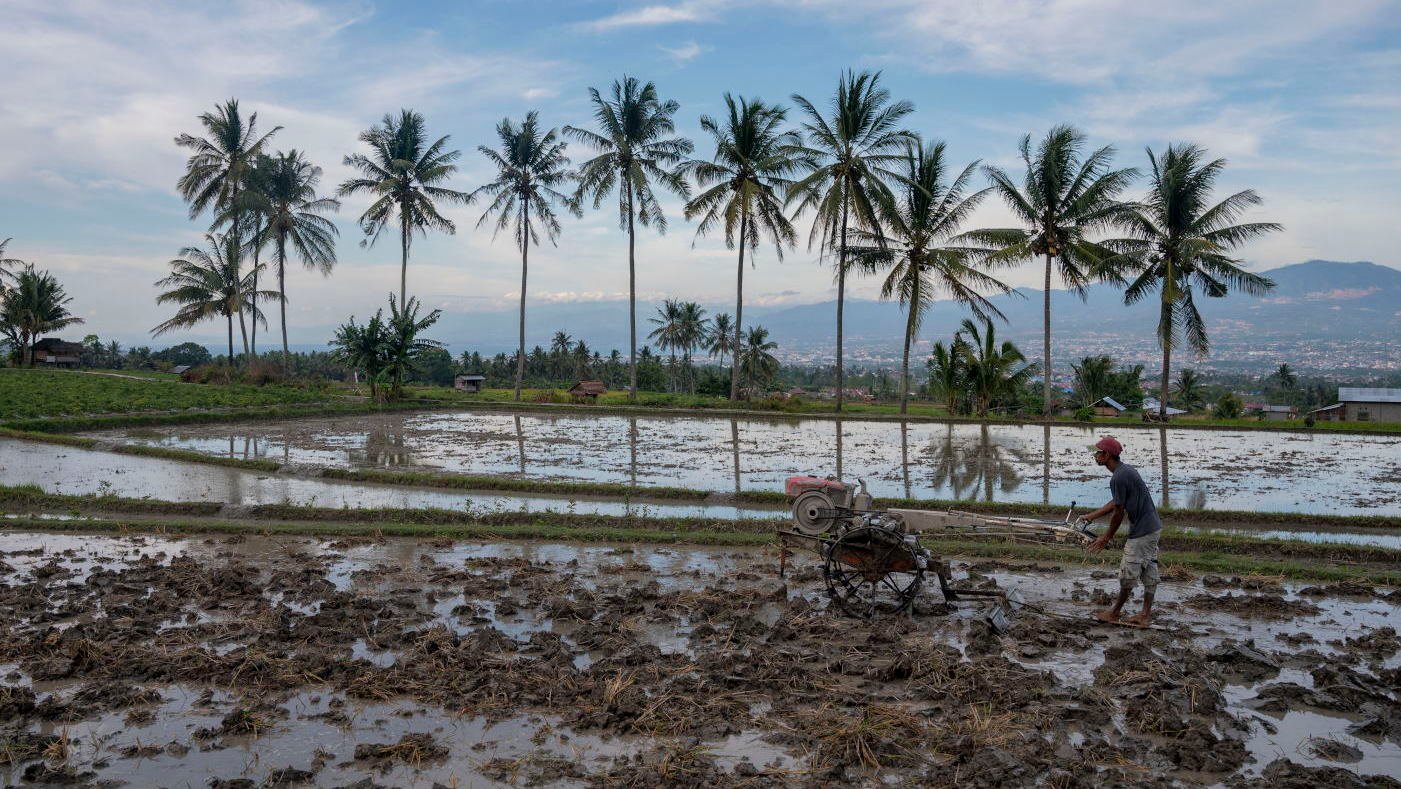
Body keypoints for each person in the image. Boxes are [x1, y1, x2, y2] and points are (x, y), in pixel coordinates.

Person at [1077, 435, 1162, 626]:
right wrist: (1092, 515)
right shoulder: (1125, 471)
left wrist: (1106, 538)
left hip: (1142, 532)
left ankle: (1114, 613)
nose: (1096, 455)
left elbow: (1118, 513)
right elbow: (1117, 501)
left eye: (1098, 452)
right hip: (1152, 527)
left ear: (1106, 455)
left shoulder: (1118, 477)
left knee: (1128, 573)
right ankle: (1145, 615)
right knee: (1149, 571)